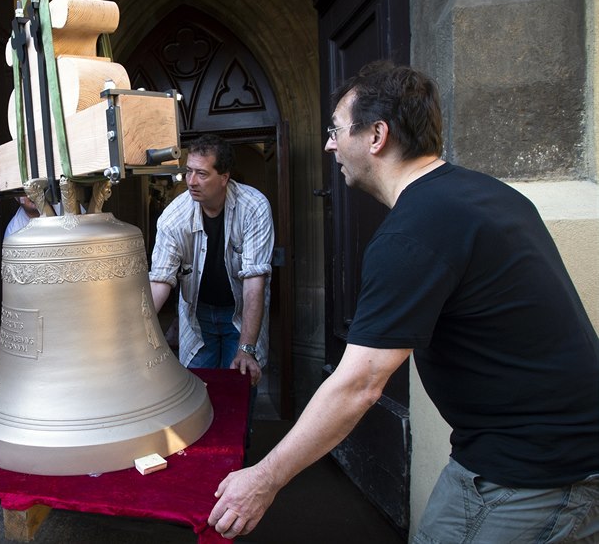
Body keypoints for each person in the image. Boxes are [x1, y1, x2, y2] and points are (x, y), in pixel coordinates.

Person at [207, 61, 599, 541]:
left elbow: (360, 383)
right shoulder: (485, 193)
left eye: (335, 130)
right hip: (517, 452)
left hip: (534, 471)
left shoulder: (414, 230)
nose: (330, 144)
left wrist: (262, 479)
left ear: (376, 136)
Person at [149, 134, 274, 386]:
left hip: (239, 314)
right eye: (188, 172)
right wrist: (132, 337)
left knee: (239, 386)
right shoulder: (173, 218)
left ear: (224, 178)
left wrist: (246, 349)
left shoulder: (254, 208)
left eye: (202, 174)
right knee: (196, 391)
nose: (191, 182)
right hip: (198, 317)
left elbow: (254, 283)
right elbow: (159, 282)